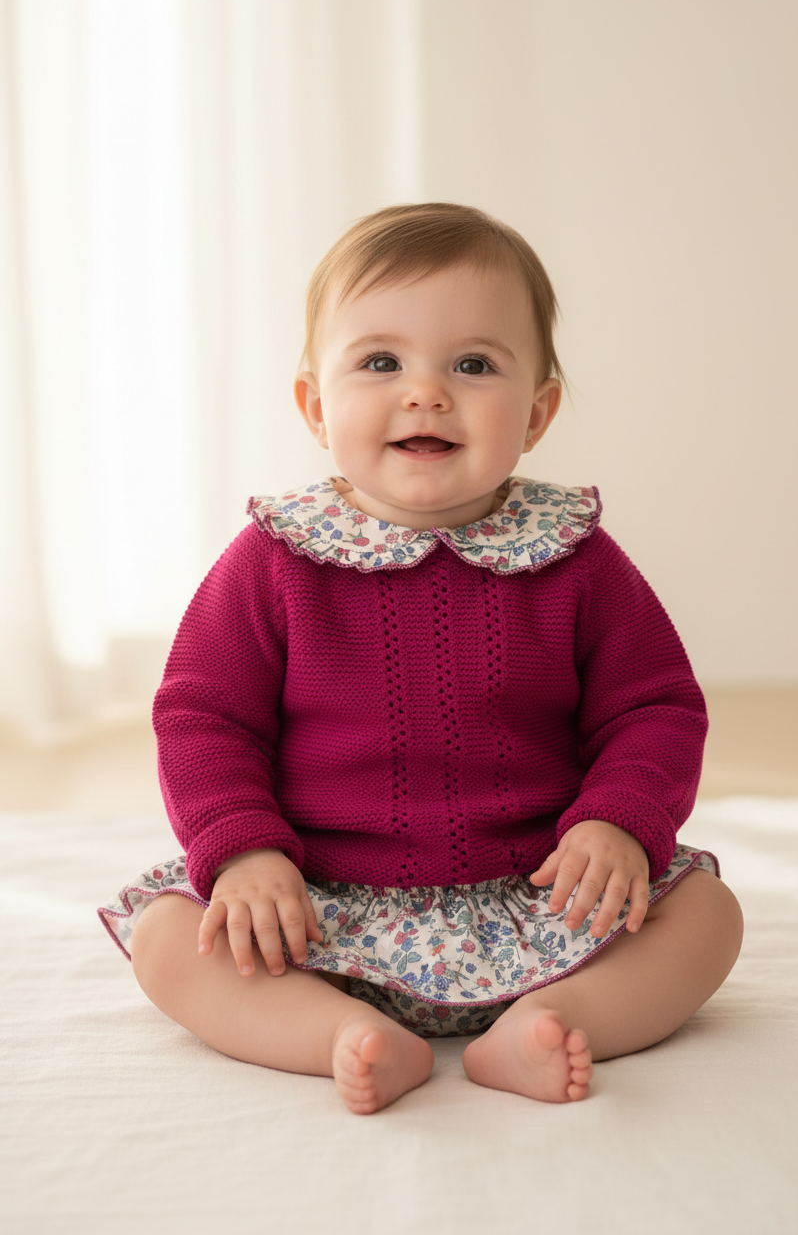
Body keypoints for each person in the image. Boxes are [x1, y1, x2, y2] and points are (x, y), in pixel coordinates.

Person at [99, 203, 743, 1115]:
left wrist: (618, 822)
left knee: (707, 917)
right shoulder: (275, 560)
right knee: (172, 940)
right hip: (316, 909)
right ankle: (336, 1035)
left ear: (540, 410)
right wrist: (242, 854)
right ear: (317, 408)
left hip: (538, 906)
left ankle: (550, 1022)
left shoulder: (575, 557)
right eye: (380, 362)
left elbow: (655, 708)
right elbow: (204, 716)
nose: (426, 392)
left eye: (473, 365)